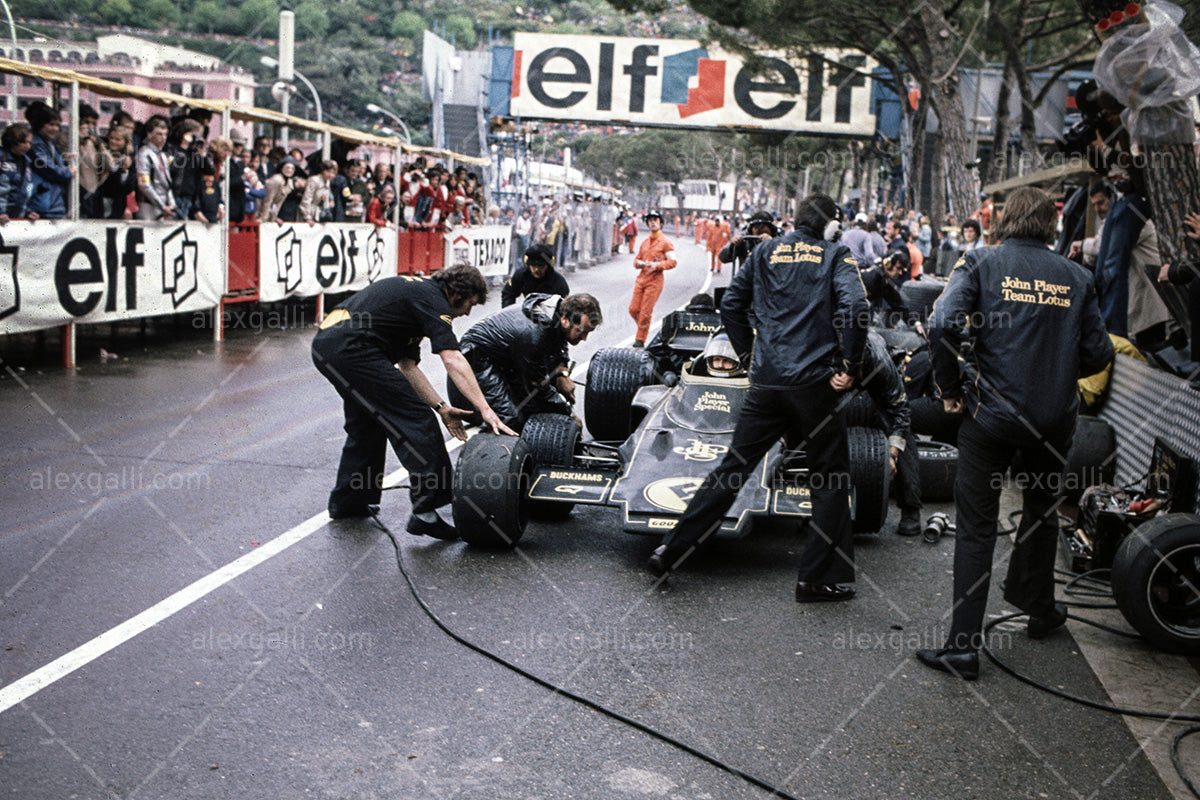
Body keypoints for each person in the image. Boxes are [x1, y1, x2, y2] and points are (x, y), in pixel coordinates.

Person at [917, 187, 1113, 681]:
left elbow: (940, 322)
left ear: (1004, 221)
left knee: (978, 527)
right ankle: (1040, 610)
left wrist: (949, 387)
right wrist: (1058, 364)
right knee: (1043, 514)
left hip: (991, 418)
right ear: (1051, 226)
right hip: (1054, 422)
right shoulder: (1077, 276)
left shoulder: (981, 262)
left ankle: (963, 648)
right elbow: (1100, 353)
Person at [646, 193, 868, 604]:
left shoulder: (764, 250)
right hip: (813, 385)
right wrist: (849, 367)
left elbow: (730, 304)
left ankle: (670, 550)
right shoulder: (835, 255)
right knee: (830, 477)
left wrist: (749, 355)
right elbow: (857, 306)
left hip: (765, 382)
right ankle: (816, 579)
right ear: (831, 225)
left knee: (732, 469)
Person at [311, 264, 517, 536]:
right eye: (470, 304)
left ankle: (349, 502)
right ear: (456, 293)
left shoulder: (417, 295)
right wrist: (485, 409)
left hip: (330, 344)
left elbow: (408, 366)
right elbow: (453, 358)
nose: (467, 312)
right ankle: (425, 511)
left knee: (368, 424)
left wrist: (442, 408)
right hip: (352, 347)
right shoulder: (433, 298)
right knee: (417, 419)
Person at [450, 293, 602, 430]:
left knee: (529, 407)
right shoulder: (535, 336)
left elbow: (560, 343)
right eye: (581, 332)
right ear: (565, 321)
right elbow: (538, 390)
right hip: (476, 358)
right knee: (510, 420)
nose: (584, 339)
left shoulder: (558, 310)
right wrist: (568, 414)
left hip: (505, 354)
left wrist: (562, 373)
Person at [848, 331, 922, 537]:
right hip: (828, 379)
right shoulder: (816, 351)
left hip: (878, 380)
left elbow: (900, 410)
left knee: (899, 428)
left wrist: (892, 455)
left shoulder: (880, 364)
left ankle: (911, 508)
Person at [628, 210, 677, 348]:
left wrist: (657, 265)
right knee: (633, 309)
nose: (652, 222)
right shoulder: (644, 242)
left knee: (645, 312)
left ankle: (640, 339)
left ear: (661, 223)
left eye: (655, 220)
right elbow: (637, 259)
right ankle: (644, 326)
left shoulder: (666, 243)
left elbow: (673, 262)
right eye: (650, 220)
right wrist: (638, 263)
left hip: (655, 281)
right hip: (641, 278)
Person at [25, 101, 73, 220]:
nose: (55, 129)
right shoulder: (35, 144)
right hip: (43, 203)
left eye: (57, 125)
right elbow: (48, 168)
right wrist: (68, 172)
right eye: (51, 124)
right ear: (40, 124)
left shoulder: (49, 142)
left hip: (54, 202)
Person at [862, 249, 921, 331]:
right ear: (887, 264)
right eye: (898, 268)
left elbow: (897, 304)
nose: (900, 273)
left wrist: (915, 323)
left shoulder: (883, 280)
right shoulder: (872, 278)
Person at [501, 242, 570, 307]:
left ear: (547, 266)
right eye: (533, 266)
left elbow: (563, 305)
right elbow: (508, 294)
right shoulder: (521, 275)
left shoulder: (558, 282)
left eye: (541, 266)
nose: (536, 269)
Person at [135, 116, 175, 221]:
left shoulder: (162, 155)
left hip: (164, 205)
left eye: (165, 134)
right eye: (159, 134)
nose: (163, 137)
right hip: (148, 205)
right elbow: (144, 184)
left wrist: (171, 203)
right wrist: (162, 206)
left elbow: (168, 182)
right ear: (149, 134)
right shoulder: (144, 153)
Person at [719, 212, 779, 279]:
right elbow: (723, 258)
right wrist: (733, 245)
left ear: (771, 229)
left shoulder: (780, 240)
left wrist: (773, 244)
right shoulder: (745, 238)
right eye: (756, 227)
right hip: (748, 281)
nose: (759, 229)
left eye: (763, 227)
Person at [0, 123, 37, 223]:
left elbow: (24, 191)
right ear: (13, 141)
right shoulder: (2, 157)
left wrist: (27, 212)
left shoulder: (27, 162)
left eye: (30, 143)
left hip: (15, 218)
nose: (28, 146)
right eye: (24, 142)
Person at [300, 159, 338, 225]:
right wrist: (307, 217)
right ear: (322, 171)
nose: (331, 175)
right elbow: (306, 199)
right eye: (328, 171)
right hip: (306, 216)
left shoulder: (327, 182)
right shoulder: (314, 180)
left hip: (317, 216)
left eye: (333, 173)